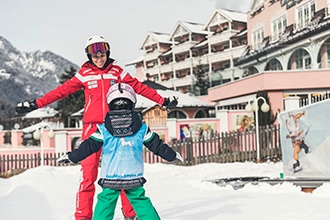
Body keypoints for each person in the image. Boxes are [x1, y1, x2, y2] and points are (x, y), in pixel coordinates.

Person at [15, 35, 178, 220]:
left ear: (107, 53)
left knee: (123, 173)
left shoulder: (117, 71)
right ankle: (83, 216)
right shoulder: (84, 74)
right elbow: (60, 92)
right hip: (92, 128)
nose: (99, 58)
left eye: (102, 54)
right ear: (89, 56)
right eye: (95, 55)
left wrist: (162, 100)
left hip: (116, 125)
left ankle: (131, 213)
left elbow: (138, 87)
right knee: (88, 175)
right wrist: (36, 104)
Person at [57, 83, 183, 219]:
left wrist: (72, 157)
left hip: (111, 175)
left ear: (110, 104)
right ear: (132, 103)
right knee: (140, 201)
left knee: (105, 203)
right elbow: (157, 146)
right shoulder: (141, 128)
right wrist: (172, 155)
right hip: (133, 175)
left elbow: (88, 147)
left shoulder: (103, 129)